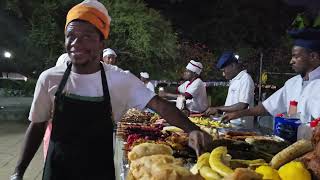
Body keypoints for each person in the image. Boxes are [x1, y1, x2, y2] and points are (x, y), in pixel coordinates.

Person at [10, 1, 212, 179]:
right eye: (70, 35)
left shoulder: (119, 79)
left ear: (101, 43)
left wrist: (193, 129)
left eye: (87, 36)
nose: (76, 43)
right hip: (58, 170)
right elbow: (37, 126)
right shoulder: (49, 78)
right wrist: (18, 172)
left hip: (99, 171)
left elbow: (160, 105)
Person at [222, 28, 320, 124]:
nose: (291, 61)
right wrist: (237, 114)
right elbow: (267, 107)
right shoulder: (292, 84)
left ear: (313, 57)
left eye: (296, 56)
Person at [205, 52, 255, 128]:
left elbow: (242, 105)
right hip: (230, 124)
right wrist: (219, 113)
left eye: (224, 71)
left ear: (233, 66)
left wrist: (218, 109)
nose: (223, 74)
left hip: (241, 127)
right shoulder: (234, 80)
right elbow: (231, 104)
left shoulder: (245, 79)